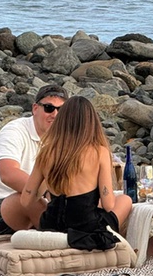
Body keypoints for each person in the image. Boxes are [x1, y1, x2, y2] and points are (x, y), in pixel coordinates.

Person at [20, 96, 133, 249]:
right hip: (86, 228)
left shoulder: (46, 152)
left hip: (52, 225)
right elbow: (108, 204)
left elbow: (26, 200)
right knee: (125, 200)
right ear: (92, 122)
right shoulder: (99, 152)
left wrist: (50, 178)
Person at [0, 84, 69, 235]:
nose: (55, 114)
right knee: (27, 200)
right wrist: (48, 193)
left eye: (61, 110)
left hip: (40, 203)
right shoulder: (14, 131)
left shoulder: (62, 140)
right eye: (49, 108)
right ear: (35, 108)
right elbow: (8, 174)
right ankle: (65, 235)